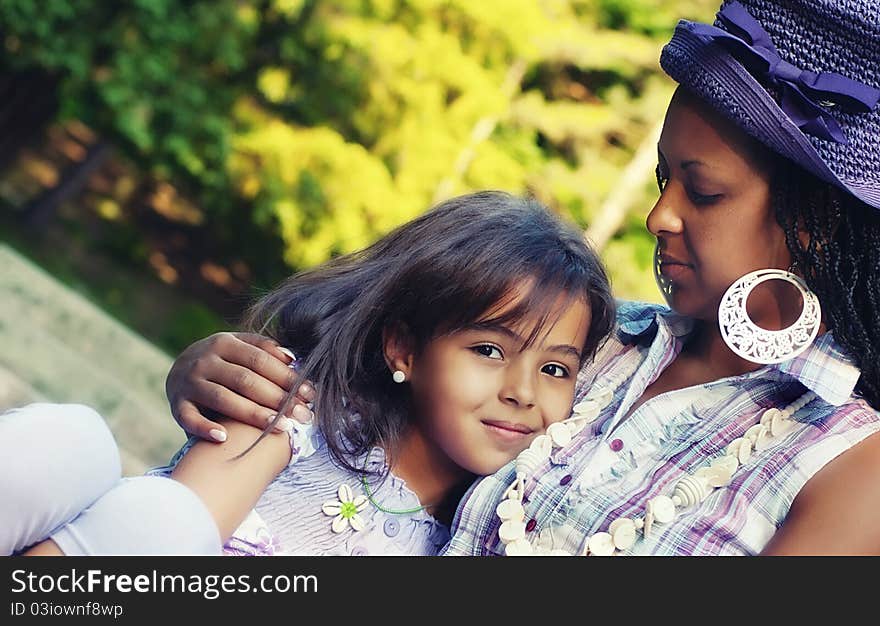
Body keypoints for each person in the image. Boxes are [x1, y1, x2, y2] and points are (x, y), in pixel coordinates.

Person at [167, 0, 880, 555]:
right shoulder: (584, 345)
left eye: (703, 190)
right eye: (664, 179)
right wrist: (213, 372)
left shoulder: (849, 459)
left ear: (813, 220)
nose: (660, 215)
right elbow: (362, 393)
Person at [3, 191, 615, 556]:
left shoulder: (474, 538)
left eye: (556, 368)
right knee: (69, 441)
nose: (523, 392)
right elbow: (164, 539)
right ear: (404, 347)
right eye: (489, 350)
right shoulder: (297, 417)